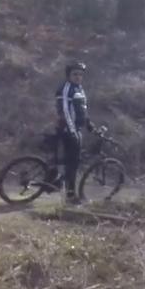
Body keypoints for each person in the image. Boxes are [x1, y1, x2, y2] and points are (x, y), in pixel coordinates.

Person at [55, 61, 89, 202]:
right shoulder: (66, 88)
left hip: (76, 129)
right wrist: (72, 131)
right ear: (68, 75)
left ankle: (60, 183)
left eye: (80, 74)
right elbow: (65, 111)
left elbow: (83, 109)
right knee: (72, 163)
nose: (78, 77)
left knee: (73, 161)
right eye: (75, 74)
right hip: (67, 129)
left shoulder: (79, 88)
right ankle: (70, 195)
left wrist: (89, 124)